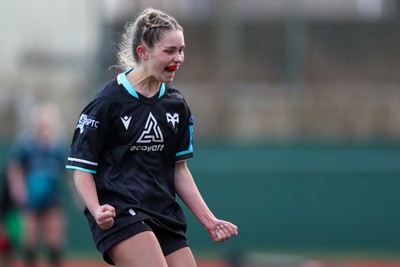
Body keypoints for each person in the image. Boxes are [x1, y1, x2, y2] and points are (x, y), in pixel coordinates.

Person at [65, 7, 238, 267]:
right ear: (143, 52)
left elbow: (179, 171)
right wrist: (96, 207)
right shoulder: (106, 103)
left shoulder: (176, 106)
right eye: (169, 51)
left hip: (162, 211)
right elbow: (81, 169)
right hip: (119, 211)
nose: (178, 58)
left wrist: (209, 220)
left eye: (181, 50)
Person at [7, 103, 68, 267]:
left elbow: (67, 172)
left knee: (55, 238)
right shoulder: (26, 144)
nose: (44, 124)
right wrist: (18, 189)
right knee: (30, 239)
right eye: (41, 120)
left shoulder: (58, 146)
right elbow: (15, 169)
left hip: (52, 198)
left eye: (47, 120)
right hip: (31, 199)